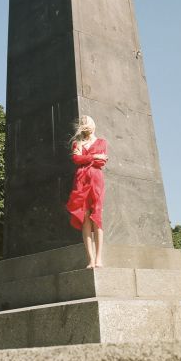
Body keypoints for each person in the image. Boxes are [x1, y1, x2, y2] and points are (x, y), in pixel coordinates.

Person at [65, 115, 108, 268]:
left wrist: (87, 157)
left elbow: (101, 161)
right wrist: (94, 156)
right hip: (81, 181)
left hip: (96, 180)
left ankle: (99, 258)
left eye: (87, 123)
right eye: (83, 124)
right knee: (85, 218)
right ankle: (90, 259)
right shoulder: (77, 143)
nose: (86, 126)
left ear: (92, 125)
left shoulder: (101, 142)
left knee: (96, 216)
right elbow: (76, 160)